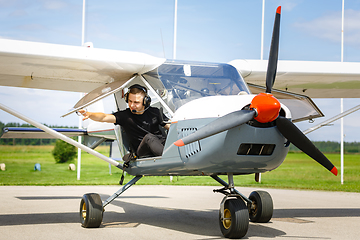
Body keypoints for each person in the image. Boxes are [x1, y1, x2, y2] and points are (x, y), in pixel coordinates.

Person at [79, 84, 170, 159]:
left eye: (136, 102)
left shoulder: (155, 112)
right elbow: (104, 117)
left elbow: (172, 127)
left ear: (145, 102)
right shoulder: (125, 116)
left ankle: (170, 155)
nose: (132, 105)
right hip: (142, 150)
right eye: (130, 101)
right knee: (149, 137)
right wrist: (90, 114)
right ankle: (168, 159)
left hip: (160, 145)